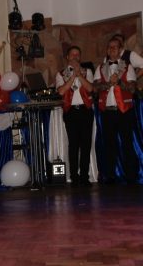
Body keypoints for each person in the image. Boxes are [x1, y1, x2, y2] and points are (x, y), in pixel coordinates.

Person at [94, 37, 138, 184]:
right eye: (109, 47)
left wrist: (119, 82)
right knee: (109, 144)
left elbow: (132, 89)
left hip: (124, 110)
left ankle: (131, 176)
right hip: (107, 111)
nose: (112, 49)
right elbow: (95, 88)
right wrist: (108, 84)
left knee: (127, 143)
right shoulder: (101, 68)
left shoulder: (127, 67)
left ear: (120, 50)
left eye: (115, 47)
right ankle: (110, 176)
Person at [56, 46, 94, 186]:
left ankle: (84, 176)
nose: (75, 57)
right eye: (72, 55)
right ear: (67, 57)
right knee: (73, 145)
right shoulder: (61, 74)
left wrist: (80, 75)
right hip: (71, 111)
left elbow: (90, 88)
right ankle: (74, 176)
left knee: (86, 144)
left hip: (85, 110)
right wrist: (72, 76)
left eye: (77, 54)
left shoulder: (87, 71)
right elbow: (61, 91)